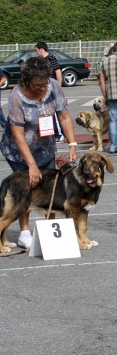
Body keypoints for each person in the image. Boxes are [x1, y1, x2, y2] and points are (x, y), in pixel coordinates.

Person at [0, 56, 78, 249]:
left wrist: (72, 144)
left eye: (44, 83)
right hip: (19, 150)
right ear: (27, 80)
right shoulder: (17, 96)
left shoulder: (53, 87)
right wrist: (32, 166)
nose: (42, 88)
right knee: (25, 190)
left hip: (45, 147)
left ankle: (49, 231)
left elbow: (65, 118)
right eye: (37, 85)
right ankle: (24, 232)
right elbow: (17, 134)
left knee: (49, 190)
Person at [35, 42, 64, 142]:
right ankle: (48, 133)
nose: (36, 52)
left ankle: (59, 134)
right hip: (43, 88)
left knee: (54, 110)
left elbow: (58, 71)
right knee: (45, 110)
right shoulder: (40, 61)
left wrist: (58, 86)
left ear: (41, 49)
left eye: (36, 50)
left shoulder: (51, 58)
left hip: (51, 87)